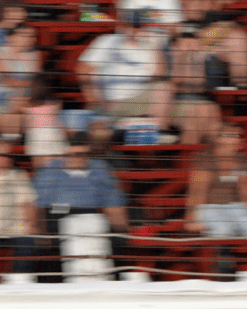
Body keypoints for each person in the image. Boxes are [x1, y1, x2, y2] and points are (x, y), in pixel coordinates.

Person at [76, 9, 211, 144]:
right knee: (165, 88)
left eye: (140, 26)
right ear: (123, 26)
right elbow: (83, 69)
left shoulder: (150, 45)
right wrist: (94, 98)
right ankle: (157, 134)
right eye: (132, 25)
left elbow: (160, 75)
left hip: (142, 100)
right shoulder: (107, 41)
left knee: (199, 112)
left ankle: (164, 143)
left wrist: (156, 48)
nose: (135, 30)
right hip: (111, 102)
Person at [33, 131, 129, 280]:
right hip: (58, 213)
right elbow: (38, 205)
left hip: (92, 215)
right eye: (74, 154)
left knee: (116, 240)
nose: (79, 159)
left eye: (84, 154)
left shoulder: (100, 168)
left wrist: (120, 224)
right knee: (50, 244)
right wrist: (39, 230)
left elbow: (112, 200)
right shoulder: (50, 171)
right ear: (65, 154)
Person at [184, 124, 247, 248]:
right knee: (223, 230)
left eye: (238, 136)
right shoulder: (205, 160)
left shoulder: (243, 161)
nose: (237, 139)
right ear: (218, 139)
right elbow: (197, 191)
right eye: (231, 135)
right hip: (208, 207)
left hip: (233, 207)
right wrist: (191, 218)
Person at [0, 137, 38, 277]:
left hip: (16, 227)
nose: (5, 158)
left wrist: (31, 224)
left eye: (8, 155)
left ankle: (19, 282)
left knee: (27, 245)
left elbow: (28, 202)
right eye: (2, 155)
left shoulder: (19, 176)